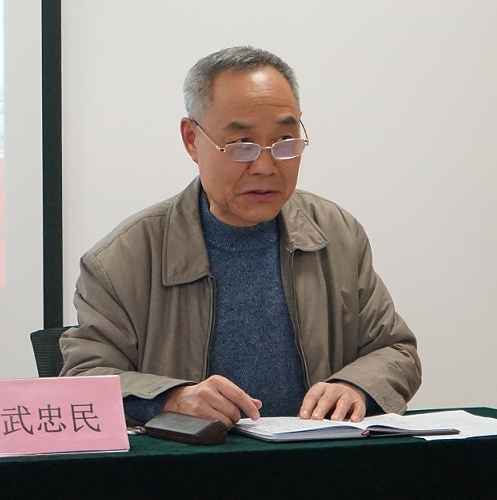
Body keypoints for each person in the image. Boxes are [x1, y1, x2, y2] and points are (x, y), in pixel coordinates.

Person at [60, 45, 421, 427]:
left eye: (284, 141)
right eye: (242, 145)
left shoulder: (337, 235)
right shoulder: (123, 259)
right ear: (191, 140)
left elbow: (396, 351)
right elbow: (83, 379)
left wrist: (354, 386)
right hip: (189, 460)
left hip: (318, 456)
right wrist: (172, 398)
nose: (265, 166)